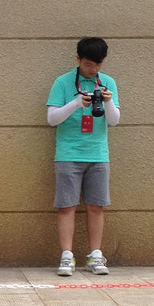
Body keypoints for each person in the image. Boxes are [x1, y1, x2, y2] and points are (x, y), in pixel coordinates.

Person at [46, 36, 120, 277]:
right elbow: (51, 119)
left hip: (98, 154)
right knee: (66, 206)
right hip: (68, 154)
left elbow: (114, 121)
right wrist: (76, 104)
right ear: (78, 59)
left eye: (99, 64)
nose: (94, 69)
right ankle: (67, 256)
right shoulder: (63, 83)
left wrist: (108, 103)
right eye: (89, 64)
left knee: (96, 206)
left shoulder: (107, 82)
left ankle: (95, 255)